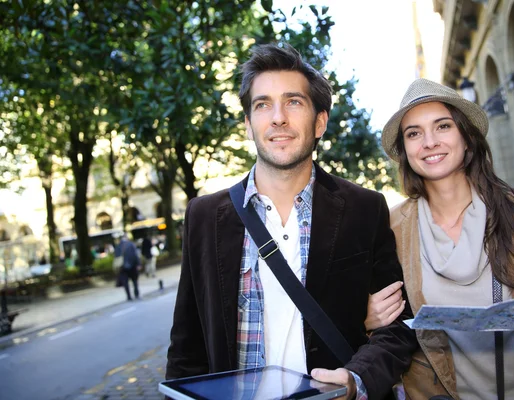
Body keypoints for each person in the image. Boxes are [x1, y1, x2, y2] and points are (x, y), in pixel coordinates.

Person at [166, 43, 417, 400]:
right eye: (262, 104)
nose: (278, 117)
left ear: (320, 122)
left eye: (293, 102)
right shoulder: (205, 217)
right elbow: (186, 349)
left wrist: (355, 379)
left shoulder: (365, 208)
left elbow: (398, 330)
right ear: (249, 125)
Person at [367, 78, 514, 399]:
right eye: (414, 133)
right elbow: (387, 331)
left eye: (443, 126)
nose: (429, 142)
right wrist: (367, 319)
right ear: (405, 151)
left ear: (467, 138)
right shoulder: (392, 226)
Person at [115, 233, 141, 301]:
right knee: (134, 281)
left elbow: (116, 257)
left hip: (122, 267)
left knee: (125, 283)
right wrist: (138, 264)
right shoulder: (131, 244)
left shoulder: (118, 246)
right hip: (132, 266)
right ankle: (136, 293)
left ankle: (129, 296)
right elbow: (135, 255)